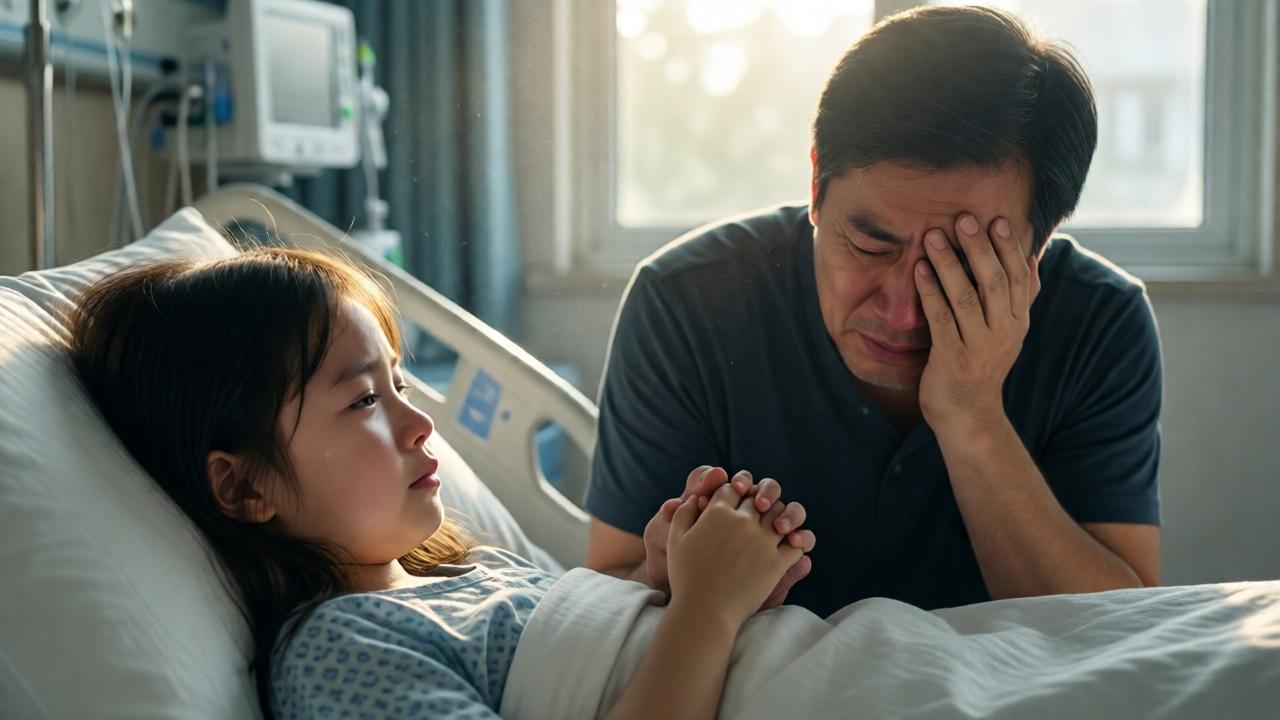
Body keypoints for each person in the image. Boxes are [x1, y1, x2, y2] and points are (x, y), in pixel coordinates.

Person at [586, 5, 1163, 618]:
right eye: (868, 245)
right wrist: (682, 584)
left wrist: (971, 415)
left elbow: (1123, 627)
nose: (902, 311)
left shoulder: (1101, 323)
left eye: (959, 266)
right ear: (816, 186)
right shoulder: (687, 303)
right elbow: (608, 595)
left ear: (1039, 244)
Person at [70, 247, 813, 718]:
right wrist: (706, 611)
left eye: (399, 383)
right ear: (244, 489)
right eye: (364, 400)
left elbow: (596, 672)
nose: (421, 422)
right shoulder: (341, 652)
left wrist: (664, 583)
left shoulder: (474, 575)